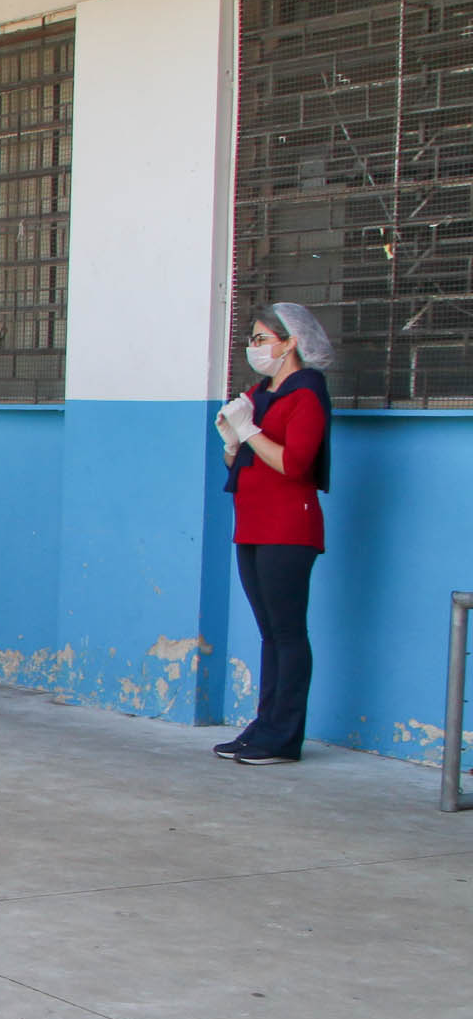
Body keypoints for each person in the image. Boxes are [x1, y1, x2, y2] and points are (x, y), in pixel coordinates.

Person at [216, 302, 333, 766]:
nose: (255, 347)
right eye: (253, 339)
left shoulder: (307, 394)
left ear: (291, 343)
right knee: (268, 632)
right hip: (252, 521)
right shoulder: (258, 392)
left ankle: (285, 736)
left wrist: (249, 432)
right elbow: (239, 462)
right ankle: (264, 726)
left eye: (263, 339)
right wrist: (231, 439)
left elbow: (292, 463)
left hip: (290, 524)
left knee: (287, 631)